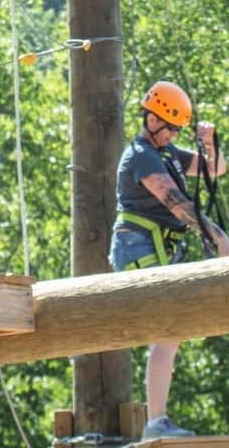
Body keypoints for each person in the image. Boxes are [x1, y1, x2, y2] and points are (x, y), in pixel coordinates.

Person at [109, 80, 229, 440]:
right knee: (168, 330)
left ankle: (156, 420)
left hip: (151, 247)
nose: (173, 134)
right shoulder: (141, 156)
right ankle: (154, 421)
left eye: (178, 129)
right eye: (170, 127)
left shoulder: (166, 153)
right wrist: (219, 238)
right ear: (152, 119)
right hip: (137, 247)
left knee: (170, 332)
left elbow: (217, 169)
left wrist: (209, 144)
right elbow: (176, 202)